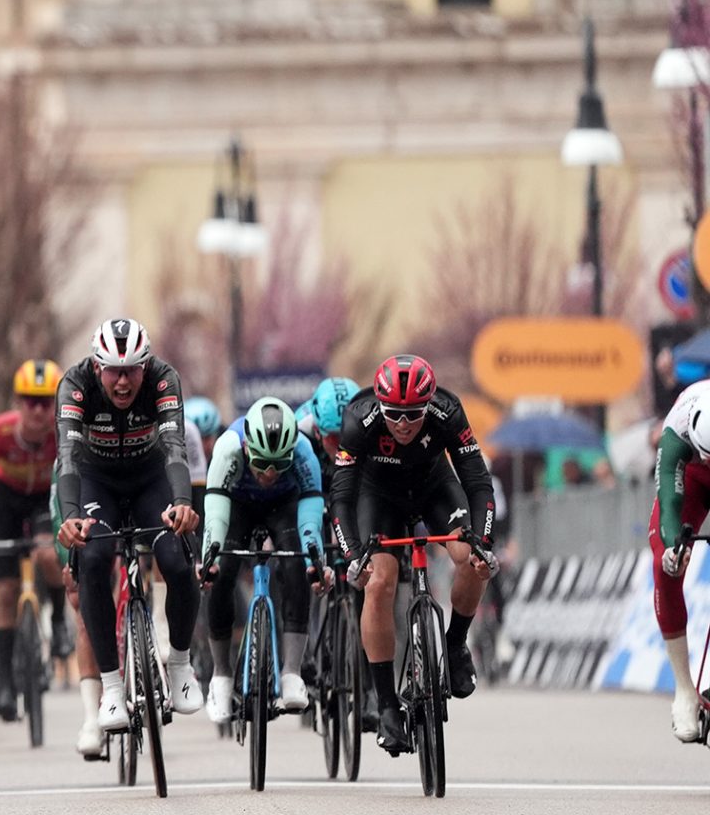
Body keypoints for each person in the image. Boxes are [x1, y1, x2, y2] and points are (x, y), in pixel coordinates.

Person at [328, 354, 496, 756]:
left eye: (413, 415)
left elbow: (477, 480)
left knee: (471, 559)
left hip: (434, 488)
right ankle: (387, 706)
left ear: (429, 404)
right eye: (394, 415)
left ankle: (454, 645)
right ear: (380, 406)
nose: (403, 424)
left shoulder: (448, 412)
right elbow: (342, 497)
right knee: (379, 582)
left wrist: (484, 541)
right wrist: (353, 554)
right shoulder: (359, 419)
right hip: (379, 497)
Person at [54, 318, 205, 731]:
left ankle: (180, 663)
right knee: (94, 558)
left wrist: (182, 503)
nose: (123, 382)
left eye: (132, 371)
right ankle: (111, 688)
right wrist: (70, 516)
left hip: (150, 479)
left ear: (146, 365)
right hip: (95, 481)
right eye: (114, 372)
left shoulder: (163, 379)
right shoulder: (75, 385)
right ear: (97, 366)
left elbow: (174, 448)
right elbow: (67, 457)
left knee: (176, 560)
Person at [198, 396, 326, 722]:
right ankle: (221, 676)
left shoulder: (303, 452)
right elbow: (215, 513)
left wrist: (315, 560)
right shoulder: (228, 447)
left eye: (279, 465)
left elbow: (310, 517)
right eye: (261, 463)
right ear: (246, 447)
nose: (269, 473)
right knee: (222, 572)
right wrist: (209, 556)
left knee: (296, 565)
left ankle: (292, 672)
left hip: (283, 507)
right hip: (237, 505)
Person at [0, 359, 74, 726]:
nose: (38, 411)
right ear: (18, 402)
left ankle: (59, 619)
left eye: (46, 402)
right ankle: (4, 681)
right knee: (4, 591)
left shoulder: (63, 434)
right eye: (30, 401)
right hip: (6, 501)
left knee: (48, 554)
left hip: (45, 500)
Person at [648, 378, 710, 740]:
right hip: (691, 474)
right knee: (664, 565)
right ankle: (684, 690)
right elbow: (669, 503)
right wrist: (675, 547)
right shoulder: (677, 428)